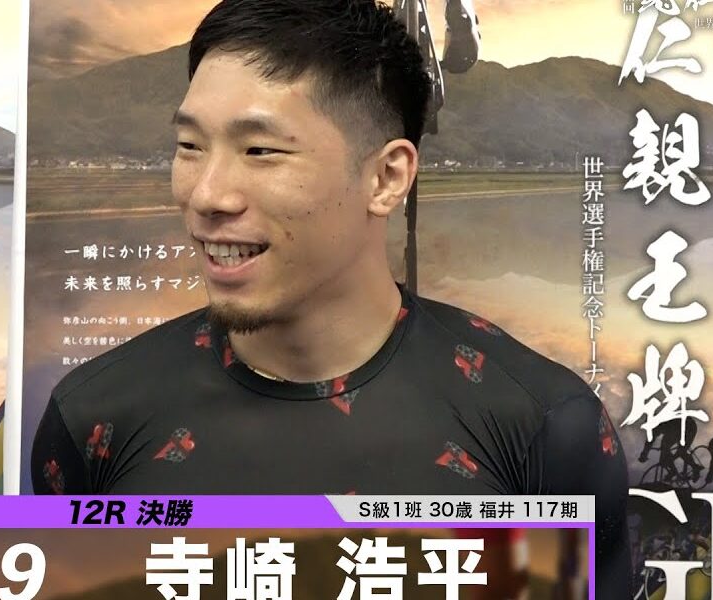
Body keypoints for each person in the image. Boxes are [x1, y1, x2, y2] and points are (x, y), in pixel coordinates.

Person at [31, 0, 630, 596]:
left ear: (386, 178)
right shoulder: (92, 419)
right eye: (190, 146)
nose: (207, 195)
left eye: (260, 150)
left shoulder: (543, 425)